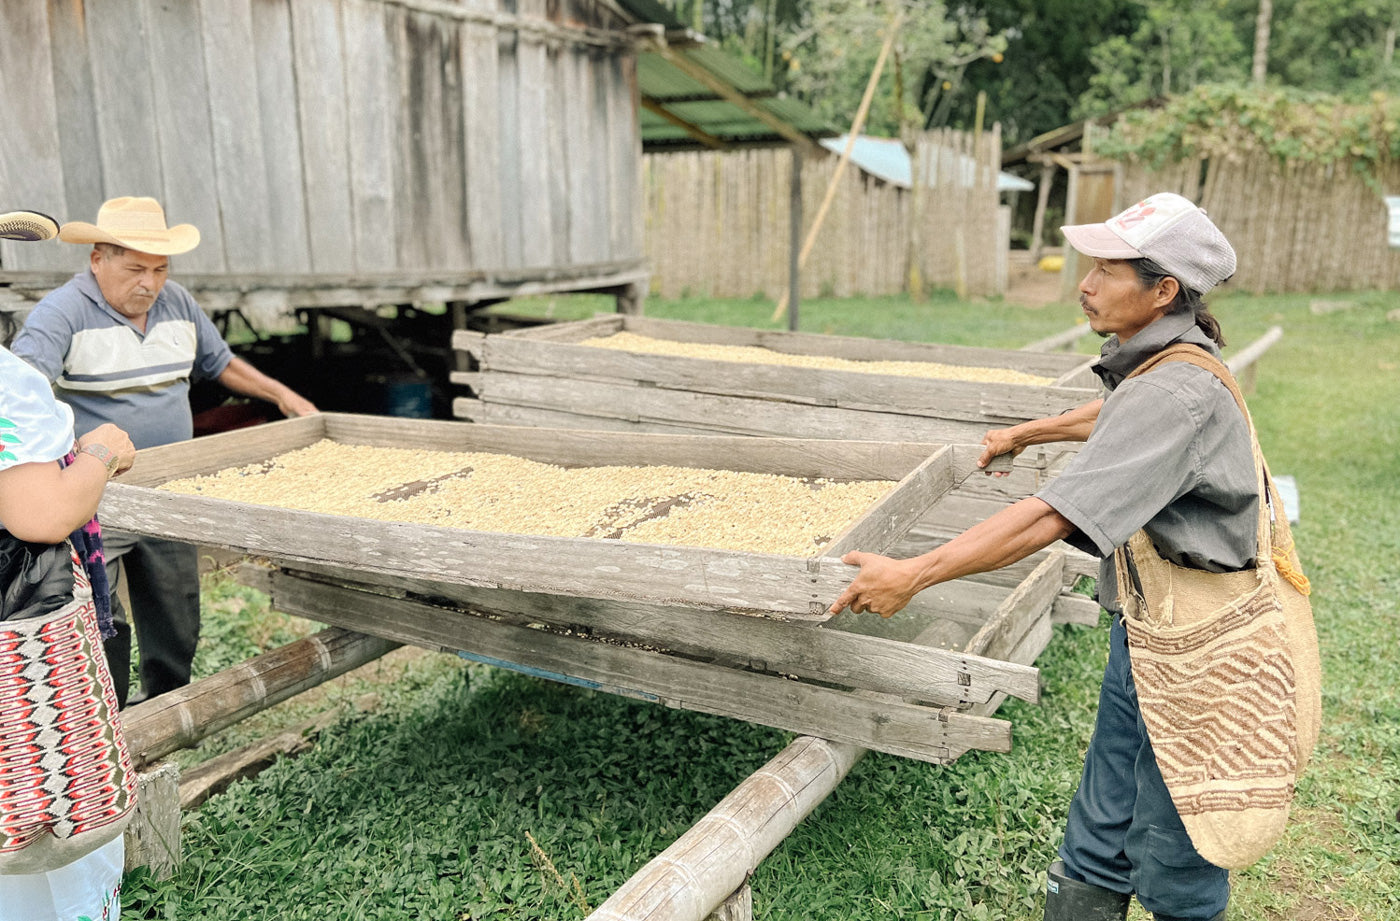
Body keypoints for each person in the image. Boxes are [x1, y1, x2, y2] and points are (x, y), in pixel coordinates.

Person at [831, 193, 1252, 921]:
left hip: (1200, 654)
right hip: (1148, 635)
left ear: (1163, 291)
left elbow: (1053, 516)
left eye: (1106, 270)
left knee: (1176, 846)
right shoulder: (1170, 361)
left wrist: (913, 573)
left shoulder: (1178, 393)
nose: (1085, 284)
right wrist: (1032, 431)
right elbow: (1117, 410)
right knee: (1097, 838)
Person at [11, 195, 318, 708]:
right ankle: (107, 718)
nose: (149, 283)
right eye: (134, 268)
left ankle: (168, 704)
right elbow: (24, 391)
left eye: (159, 268)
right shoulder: (60, 313)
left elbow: (220, 362)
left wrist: (284, 395)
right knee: (100, 615)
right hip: (98, 499)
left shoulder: (177, 303)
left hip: (172, 488)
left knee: (176, 610)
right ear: (97, 259)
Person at [0, 208, 139, 921]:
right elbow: (41, 515)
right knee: (44, 803)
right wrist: (99, 450)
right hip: (17, 635)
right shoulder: (11, 377)